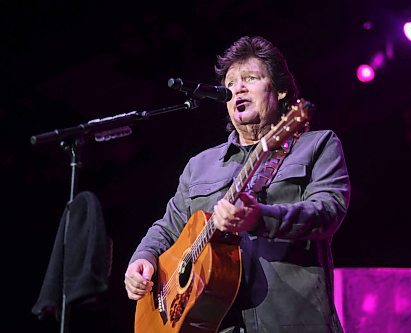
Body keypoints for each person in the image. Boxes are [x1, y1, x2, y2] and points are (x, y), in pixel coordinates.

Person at [124, 35, 350, 333]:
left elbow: (328, 211)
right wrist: (143, 259)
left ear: (280, 90)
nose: (238, 89)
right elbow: (167, 228)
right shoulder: (199, 166)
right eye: (230, 84)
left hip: (293, 321)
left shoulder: (317, 145)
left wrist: (261, 218)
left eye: (251, 78)